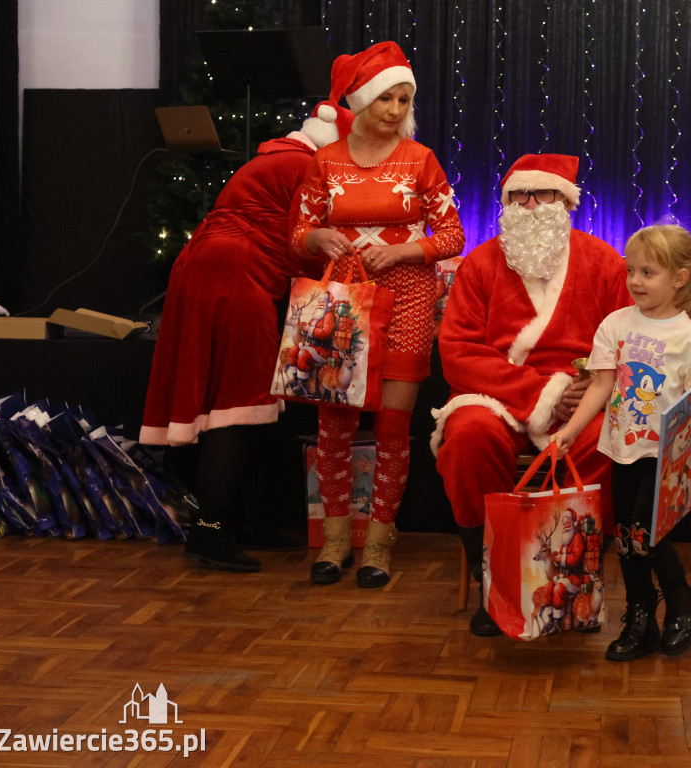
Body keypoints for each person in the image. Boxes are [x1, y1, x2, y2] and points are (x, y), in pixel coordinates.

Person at [139, 102, 354, 572]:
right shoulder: (307, 167)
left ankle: (242, 523)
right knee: (240, 403)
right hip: (238, 276)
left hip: (204, 268)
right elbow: (305, 241)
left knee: (235, 401)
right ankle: (210, 531)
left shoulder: (273, 159)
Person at [432, 153, 632, 636]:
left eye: (541, 194)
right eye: (518, 196)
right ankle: (494, 581)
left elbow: (628, 340)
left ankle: (567, 576)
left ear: (567, 202)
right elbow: (457, 351)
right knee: (467, 438)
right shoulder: (481, 264)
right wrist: (542, 391)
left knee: (604, 441)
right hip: (498, 396)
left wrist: (588, 388)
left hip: (579, 400)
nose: (529, 205)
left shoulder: (603, 262)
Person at [290, 41, 465, 588]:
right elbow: (296, 238)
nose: (394, 110)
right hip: (343, 304)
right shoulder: (325, 160)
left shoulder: (421, 160)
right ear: (362, 101)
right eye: (385, 98)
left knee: (393, 427)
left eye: (404, 99)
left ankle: (381, 542)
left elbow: (454, 234)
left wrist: (405, 251)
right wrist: (317, 235)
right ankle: (336, 540)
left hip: (410, 300)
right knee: (334, 425)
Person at [551, 224, 691, 661]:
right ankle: (641, 618)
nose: (636, 281)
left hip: (664, 460)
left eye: (649, 272)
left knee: (647, 537)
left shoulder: (688, 335)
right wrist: (570, 429)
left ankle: (681, 600)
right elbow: (602, 385)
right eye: (632, 271)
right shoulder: (615, 324)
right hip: (623, 451)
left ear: (679, 278)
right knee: (624, 537)